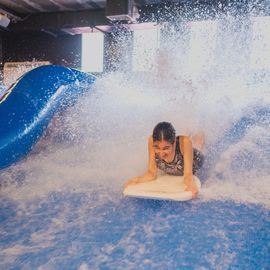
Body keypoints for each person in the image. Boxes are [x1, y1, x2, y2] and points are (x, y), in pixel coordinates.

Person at [124, 122, 204, 198]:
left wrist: (191, 186)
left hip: (195, 160)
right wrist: (136, 180)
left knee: (198, 145)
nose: (161, 154)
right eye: (157, 147)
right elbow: (151, 173)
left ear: (174, 143)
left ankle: (200, 133)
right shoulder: (152, 141)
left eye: (166, 148)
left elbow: (188, 176)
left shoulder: (184, 142)